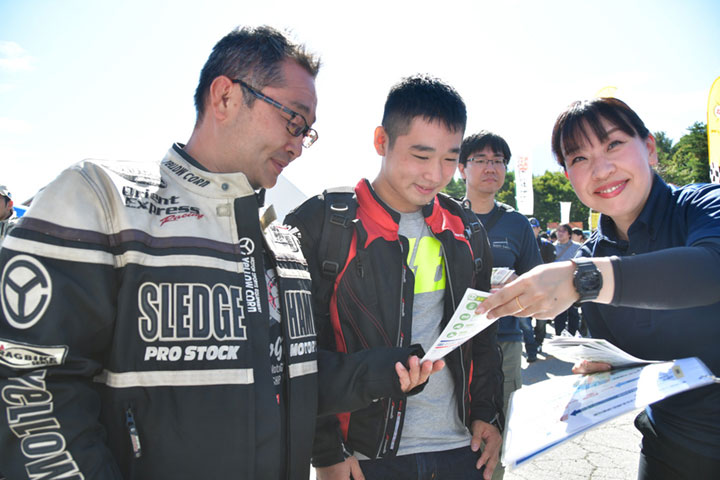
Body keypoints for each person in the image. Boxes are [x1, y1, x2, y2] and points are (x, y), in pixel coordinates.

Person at [0, 26, 440, 480]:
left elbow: (295, 378)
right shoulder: (103, 199)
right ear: (225, 97)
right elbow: (30, 388)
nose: (297, 145)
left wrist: (385, 371)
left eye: (307, 132)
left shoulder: (282, 246)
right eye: (293, 120)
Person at [477, 97, 720, 479]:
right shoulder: (591, 254)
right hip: (668, 443)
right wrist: (609, 368)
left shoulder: (704, 205)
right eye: (579, 158)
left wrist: (584, 278)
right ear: (568, 176)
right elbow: (640, 357)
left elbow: (711, 268)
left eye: (614, 145)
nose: (602, 169)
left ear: (650, 148)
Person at [285, 75, 504, 480]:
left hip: (462, 450)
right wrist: (327, 452)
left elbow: (482, 335)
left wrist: (489, 415)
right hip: (365, 459)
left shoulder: (466, 228)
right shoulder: (322, 224)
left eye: (450, 159)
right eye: (421, 155)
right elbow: (297, 355)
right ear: (381, 141)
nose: (435, 174)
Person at [457, 131, 542, 480]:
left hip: (505, 340)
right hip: (455, 341)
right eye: (480, 160)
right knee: (453, 429)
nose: (490, 167)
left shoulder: (517, 224)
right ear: (461, 168)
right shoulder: (443, 215)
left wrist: (516, 288)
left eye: (498, 161)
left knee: (499, 432)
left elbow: (538, 287)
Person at [528, 217, 555, 351]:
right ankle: (530, 346)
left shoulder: (546, 245)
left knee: (541, 319)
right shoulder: (522, 243)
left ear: (539, 229)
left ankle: (539, 342)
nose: (532, 230)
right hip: (526, 286)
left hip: (543, 286)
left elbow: (551, 266)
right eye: (530, 227)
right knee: (524, 321)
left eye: (534, 227)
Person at [551, 223, 581, 336]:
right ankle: (559, 336)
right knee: (559, 312)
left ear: (569, 234)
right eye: (558, 230)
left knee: (573, 312)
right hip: (557, 285)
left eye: (563, 231)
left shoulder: (577, 247)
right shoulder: (551, 247)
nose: (560, 233)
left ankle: (572, 335)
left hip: (573, 283)